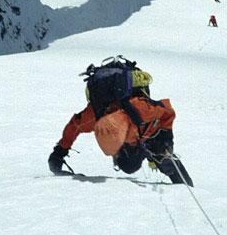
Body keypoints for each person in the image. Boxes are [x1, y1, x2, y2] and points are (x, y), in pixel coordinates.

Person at [48, 56, 193, 186]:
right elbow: (75, 126)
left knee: (158, 158)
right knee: (131, 165)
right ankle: (170, 169)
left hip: (150, 133)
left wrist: (167, 139)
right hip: (143, 135)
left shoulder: (135, 109)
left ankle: (170, 168)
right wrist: (59, 151)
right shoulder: (98, 114)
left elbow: (166, 111)